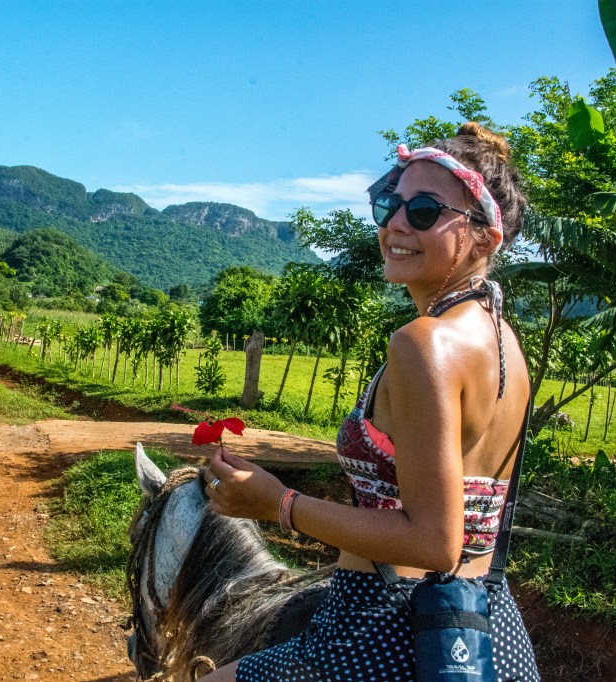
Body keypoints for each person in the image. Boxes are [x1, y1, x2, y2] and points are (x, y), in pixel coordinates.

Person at [200, 123, 539, 681]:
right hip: (489, 632)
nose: (397, 224)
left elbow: (434, 541)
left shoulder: (423, 344)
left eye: (426, 210)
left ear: (486, 237)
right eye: (390, 203)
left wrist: (278, 503)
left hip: (381, 631)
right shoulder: (504, 343)